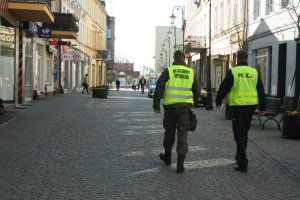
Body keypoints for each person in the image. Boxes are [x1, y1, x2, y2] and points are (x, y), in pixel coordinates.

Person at [216, 50, 266, 173]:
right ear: (247, 59)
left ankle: (243, 163)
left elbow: (224, 87)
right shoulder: (254, 72)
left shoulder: (233, 71)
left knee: (239, 134)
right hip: (250, 107)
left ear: (237, 59)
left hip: (237, 107)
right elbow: (260, 89)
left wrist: (218, 101)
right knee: (244, 133)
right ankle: (239, 157)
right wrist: (262, 107)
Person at [153, 50, 199, 173]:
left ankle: (167, 157)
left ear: (174, 58)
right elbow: (197, 90)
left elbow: (159, 87)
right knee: (182, 134)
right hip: (185, 109)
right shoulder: (190, 72)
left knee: (169, 132)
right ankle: (180, 164)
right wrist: (194, 102)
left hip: (171, 109)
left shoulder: (169, 71)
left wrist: (156, 105)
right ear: (184, 58)